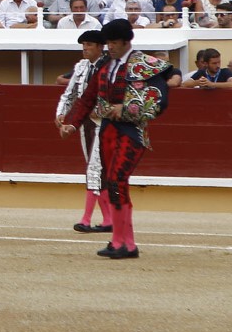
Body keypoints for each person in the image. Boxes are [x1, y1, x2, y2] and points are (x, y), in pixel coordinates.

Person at [62, 19, 177, 260]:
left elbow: (158, 100)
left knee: (116, 180)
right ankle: (121, 243)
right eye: (108, 43)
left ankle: (126, 243)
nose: (110, 47)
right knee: (112, 182)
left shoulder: (144, 65)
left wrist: (124, 109)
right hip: (107, 131)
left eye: (114, 42)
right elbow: (88, 97)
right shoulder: (105, 67)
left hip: (131, 131)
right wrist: (72, 122)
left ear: (126, 42)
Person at [55, 29, 112, 233]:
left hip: (105, 124)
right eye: (83, 45)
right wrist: (61, 114)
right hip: (85, 125)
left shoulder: (109, 67)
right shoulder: (81, 67)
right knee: (96, 169)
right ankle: (108, 220)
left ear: (100, 47)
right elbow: (69, 94)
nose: (85, 49)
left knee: (94, 169)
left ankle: (86, 219)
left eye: (89, 45)